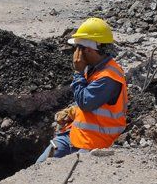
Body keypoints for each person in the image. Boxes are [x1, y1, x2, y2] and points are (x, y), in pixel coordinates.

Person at [36, 17, 128, 163]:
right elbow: (93, 104)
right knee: (40, 166)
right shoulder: (94, 68)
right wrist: (73, 111)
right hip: (76, 135)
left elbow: (86, 102)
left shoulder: (109, 77)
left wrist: (78, 72)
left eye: (78, 49)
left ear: (89, 50)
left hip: (94, 142)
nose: (75, 54)